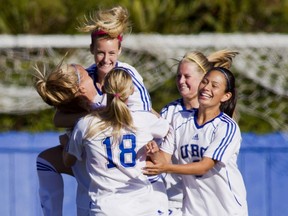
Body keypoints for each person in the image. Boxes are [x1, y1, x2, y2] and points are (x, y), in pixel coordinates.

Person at [35, 5, 159, 216]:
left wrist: (94, 116)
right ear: (91, 49)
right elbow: (58, 118)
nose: (106, 59)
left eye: (111, 52)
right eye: (100, 52)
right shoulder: (84, 76)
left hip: (126, 159)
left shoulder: (126, 76)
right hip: (92, 156)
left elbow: (145, 120)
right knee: (45, 161)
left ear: (119, 50)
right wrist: (91, 116)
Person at [63, 68, 170, 216]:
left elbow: (67, 161)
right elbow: (168, 129)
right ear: (131, 91)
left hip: (105, 208)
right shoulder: (144, 120)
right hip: (143, 207)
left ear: (103, 89)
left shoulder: (86, 124)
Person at [144, 67, 248, 216]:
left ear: (226, 96)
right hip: (192, 210)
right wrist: (154, 154)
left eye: (214, 85)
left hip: (226, 210)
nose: (206, 87)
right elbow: (163, 159)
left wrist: (165, 167)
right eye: (204, 82)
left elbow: (204, 166)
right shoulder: (179, 119)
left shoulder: (227, 127)